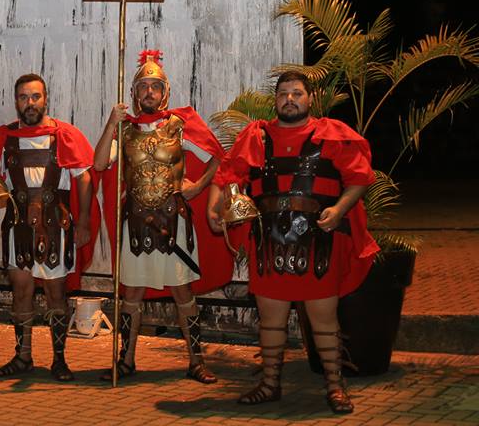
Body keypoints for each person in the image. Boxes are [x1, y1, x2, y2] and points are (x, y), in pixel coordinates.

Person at [208, 70, 378, 414]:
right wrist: (214, 208)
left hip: (318, 242)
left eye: (297, 93)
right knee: (270, 320)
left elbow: (359, 178)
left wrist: (339, 209)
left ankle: (336, 387)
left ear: (310, 98)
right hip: (269, 242)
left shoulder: (332, 134)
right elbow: (227, 176)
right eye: (283, 93)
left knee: (324, 321)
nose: (289, 99)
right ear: (276, 99)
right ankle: (269, 384)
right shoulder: (257, 136)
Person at [93, 50, 228, 382]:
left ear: (165, 93)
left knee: (183, 291)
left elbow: (216, 157)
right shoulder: (124, 130)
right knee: (132, 293)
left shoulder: (179, 126)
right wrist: (111, 123)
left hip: (173, 220)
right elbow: (99, 163)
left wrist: (198, 186)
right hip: (136, 222)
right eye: (143, 87)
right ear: (134, 94)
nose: (149, 92)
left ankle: (196, 361)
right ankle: (126, 360)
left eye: (156, 87)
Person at [0, 73, 93, 382]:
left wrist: (85, 221)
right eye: (24, 97)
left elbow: (84, 178)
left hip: (56, 226)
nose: (30, 103)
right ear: (16, 102)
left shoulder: (64, 135)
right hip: (18, 227)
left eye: (35, 96)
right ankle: (23, 357)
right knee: (21, 291)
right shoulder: (5, 136)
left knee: (55, 293)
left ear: (45, 99)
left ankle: (59, 359)